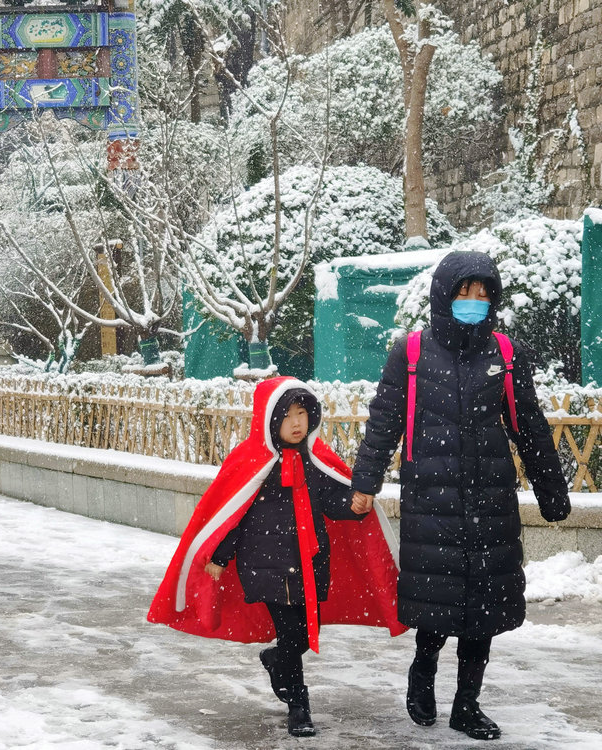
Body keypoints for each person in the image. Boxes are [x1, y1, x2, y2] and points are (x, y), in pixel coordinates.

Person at [349, 251, 570, 741]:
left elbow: (529, 427)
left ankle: (467, 705)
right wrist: (365, 481)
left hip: (491, 502)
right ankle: (423, 670)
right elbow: (384, 422)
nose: (474, 302)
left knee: (484, 611)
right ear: (443, 296)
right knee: (438, 601)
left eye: (483, 294)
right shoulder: (410, 353)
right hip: (434, 502)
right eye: (464, 293)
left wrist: (551, 490)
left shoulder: (506, 355)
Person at [148, 377, 405, 738]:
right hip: (265, 567)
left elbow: (332, 503)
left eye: (302, 413)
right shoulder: (252, 462)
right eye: (288, 416)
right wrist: (219, 557)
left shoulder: (316, 461)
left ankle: (275, 660)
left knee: (298, 637)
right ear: (270, 420)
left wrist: (355, 506)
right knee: (294, 634)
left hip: (309, 564)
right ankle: (299, 706)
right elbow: (232, 513)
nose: (297, 423)